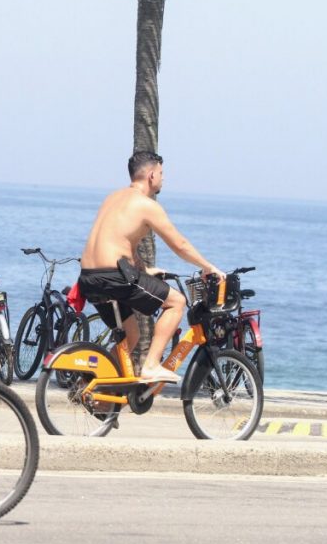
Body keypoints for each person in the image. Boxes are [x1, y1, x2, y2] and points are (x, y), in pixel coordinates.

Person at [77, 151, 224, 384]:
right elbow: (180, 244)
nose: (164, 179)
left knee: (132, 335)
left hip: (88, 278)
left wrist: (144, 271)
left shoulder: (112, 198)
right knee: (177, 302)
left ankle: (93, 389)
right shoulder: (146, 205)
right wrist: (208, 267)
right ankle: (152, 366)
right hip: (114, 276)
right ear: (152, 175)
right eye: (162, 174)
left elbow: (125, 243)